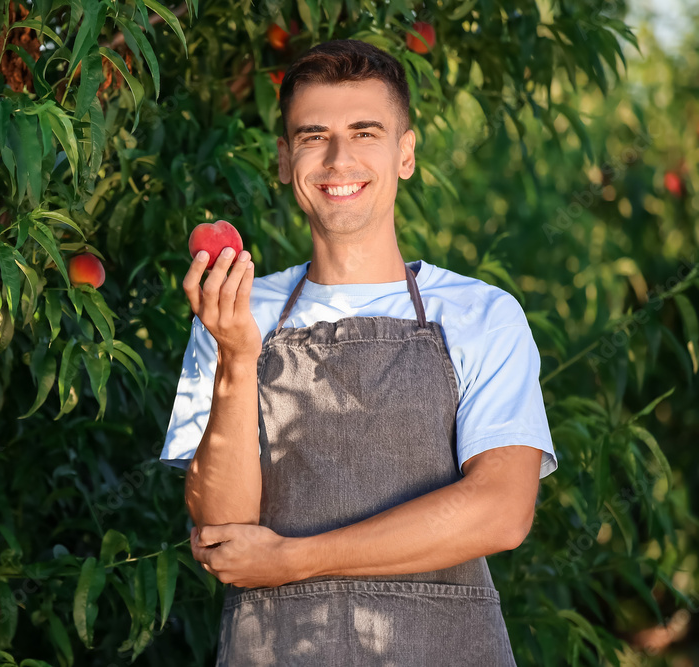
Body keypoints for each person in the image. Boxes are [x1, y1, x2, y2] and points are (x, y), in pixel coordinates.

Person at [159, 39, 558, 666]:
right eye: (314, 136)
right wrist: (237, 357)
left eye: (365, 133)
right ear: (286, 159)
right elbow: (224, 534)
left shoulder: (482, 314)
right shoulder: (236, 309)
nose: (339, 158)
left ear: (405, 155)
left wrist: (294, 560)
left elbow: (501, 512)